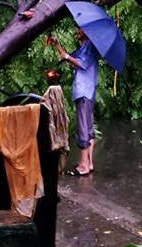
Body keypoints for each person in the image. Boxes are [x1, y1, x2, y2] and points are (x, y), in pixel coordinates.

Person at [45, 29, 99, 176]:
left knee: (83, 127)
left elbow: (81, 63)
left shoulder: (90, 46)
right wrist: (57, 45)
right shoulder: (85, 46)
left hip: (84, 92)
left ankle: (83, 166)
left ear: (87, 31)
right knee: (87, 126)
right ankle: (89, 163)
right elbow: (67, 57)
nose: (76, 31)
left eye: (80, 29)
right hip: (87, 92)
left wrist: (67, 56)